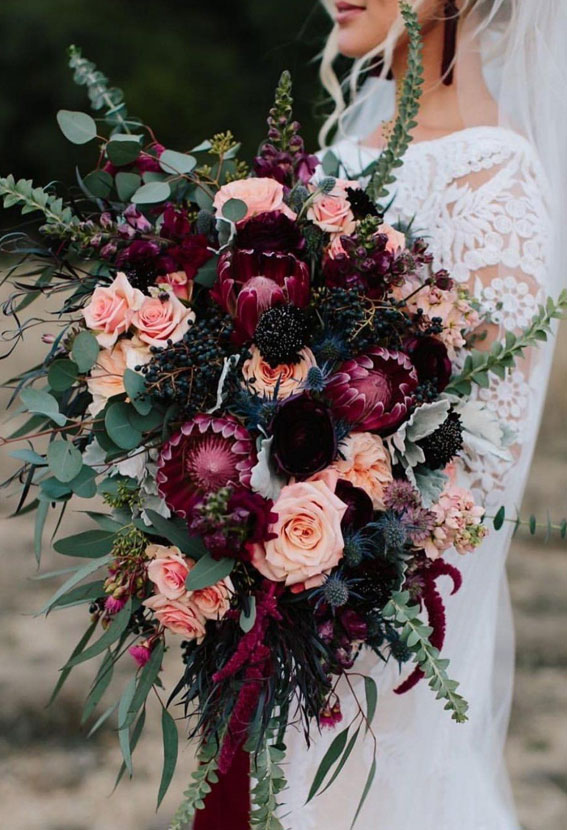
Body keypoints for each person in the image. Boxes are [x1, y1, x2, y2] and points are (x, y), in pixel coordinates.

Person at [278, 2, 566, 828]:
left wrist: (311, 541)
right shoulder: (323, 167)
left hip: (385, 646)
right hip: (283, 630)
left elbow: (469, 490)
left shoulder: (494, 179)